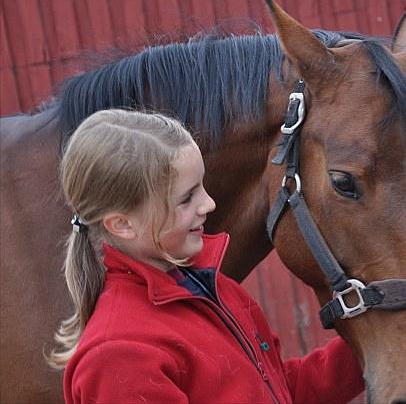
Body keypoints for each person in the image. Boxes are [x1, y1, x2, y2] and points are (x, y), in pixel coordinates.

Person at [47, 109, 364, 403]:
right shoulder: (119, 355)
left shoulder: (211, 287)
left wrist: (382, 343)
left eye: (201, 187)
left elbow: (279, 389)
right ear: (122, 225)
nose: (208, 204)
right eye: (186, 199)